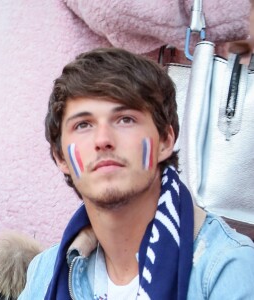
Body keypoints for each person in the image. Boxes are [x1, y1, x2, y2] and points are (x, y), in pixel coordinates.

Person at [18, 48, 254, 300]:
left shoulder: (228, 268)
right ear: (61, 157)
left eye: (125, 119)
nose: (103, 140)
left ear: (165, 139)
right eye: (83, 125)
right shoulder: (45, 273)